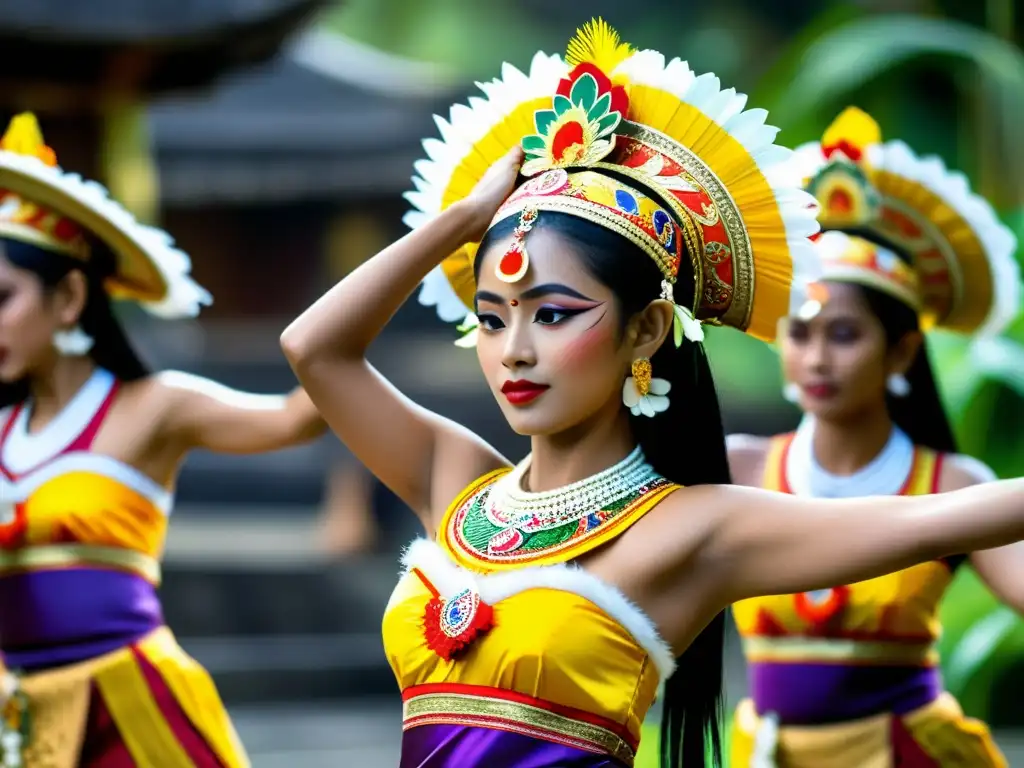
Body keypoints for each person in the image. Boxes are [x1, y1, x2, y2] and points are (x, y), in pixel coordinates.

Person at [281, 20, 1024, 768]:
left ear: (646, 331)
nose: (515, 350)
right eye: (491, 317)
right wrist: (463, 222)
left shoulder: (694, 528)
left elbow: (939, 520)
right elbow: (314, 349)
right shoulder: (456, 485)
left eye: (553, 314)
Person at [0, 113, 325, 767]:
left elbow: (296, 417)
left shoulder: (156, 407)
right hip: (20, 722)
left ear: (67, 297)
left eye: (2, 297)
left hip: (134, 708)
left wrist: (363, 310)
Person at [727, 108, 1024, 767]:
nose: (817, 359)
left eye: (845, 334)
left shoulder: (952, 484)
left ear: (900, 353)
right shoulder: (737, 469)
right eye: (800, 333)